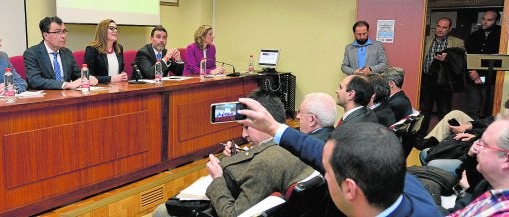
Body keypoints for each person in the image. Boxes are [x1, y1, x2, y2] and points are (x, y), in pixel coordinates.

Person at [235, 98, 441, 216]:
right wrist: (273, 127)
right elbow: (319, 152)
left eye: (328, 173)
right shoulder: (402, 181)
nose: (323, 173)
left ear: (350, 189)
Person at [153, 90, 314, 217]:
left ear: (262, 121)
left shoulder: (265, 163)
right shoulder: (296, 145)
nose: (244, 135)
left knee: (161, 211)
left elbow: (233, 214)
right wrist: (236, 159)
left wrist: (217, 179)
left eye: (246, 127)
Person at [447, 120, 509, 216]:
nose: (477, 148)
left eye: (484, 144)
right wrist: (470, 157)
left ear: (507, 159)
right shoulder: (488, 185)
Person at [24, 16, 98, 89]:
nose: (63, 36)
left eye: (64, 31)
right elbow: (34, 80)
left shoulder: (67, 52)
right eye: (58, 32)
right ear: (45, 35)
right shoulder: (32, 53)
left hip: (67, 96)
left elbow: (77, 75)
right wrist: (65, 85)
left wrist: (88, 77)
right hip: (46, 97)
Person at [419, 17, 464, 123]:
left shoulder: (457, 42)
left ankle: (443, 137)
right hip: (426, 79)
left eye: (444, 27)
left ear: (449, 29)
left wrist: (448, 59)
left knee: (444, 112)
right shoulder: (425, 40)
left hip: (445, 82)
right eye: (438, 26)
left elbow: (462, 62)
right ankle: (420, 137)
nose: (440, 29)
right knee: (424, 111)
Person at [465, 10, 501, 119]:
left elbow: (499, 59)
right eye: (483, 19)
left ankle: (487, 135)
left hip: (491, 79)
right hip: (472, 78)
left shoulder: (502, 36)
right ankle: (471, 135)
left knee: (491, 110)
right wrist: (472, 72)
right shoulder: (474, 35)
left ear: (497, 21)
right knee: (472, 109)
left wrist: (480, 75)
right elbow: (467, 56)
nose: (485, 22)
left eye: (489, 20)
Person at [84, 19, 128, 83]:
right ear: (103, 31)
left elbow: (121, 70)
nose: (115, 31)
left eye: (116, 28)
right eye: (111, 28)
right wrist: (110, 79)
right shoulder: (92, 49)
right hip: (100, 89)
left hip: (118, 87)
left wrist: (123, 76)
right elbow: (87, 76)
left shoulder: (119, 48)